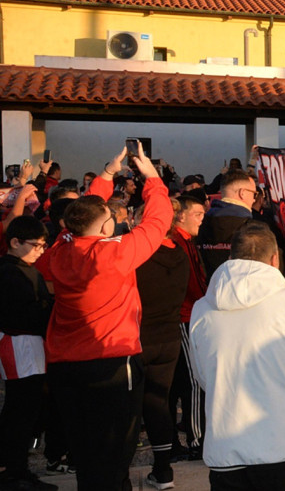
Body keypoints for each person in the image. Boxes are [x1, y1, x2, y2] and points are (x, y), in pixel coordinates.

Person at [38, 147, 172, 491]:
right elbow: (157, 222)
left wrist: (106, 176)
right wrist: (153, 180)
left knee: (83, 446)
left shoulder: (59, 251)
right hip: (111, 362)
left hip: (65, 365)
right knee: (115, 450)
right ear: (106, 225)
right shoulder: (115, 253)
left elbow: (78, 218)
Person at [189, 222, 285, 490]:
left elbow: (205, 379)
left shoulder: (202, 308)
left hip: (227, 451)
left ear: (230, 257)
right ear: (275, 259)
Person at [135, 198, 194, 489]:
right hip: (169, 337)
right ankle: (163, 469)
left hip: (139, 337)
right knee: (158, 402)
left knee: (131, 405)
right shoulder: (181, 254)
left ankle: (120, 471)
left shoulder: (139, 256)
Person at [0, 216, 57, 491]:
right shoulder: (9, 272)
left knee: (28, 410)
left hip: (32, 346)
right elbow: (19, 315)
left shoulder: (25, 269)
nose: (40, 250)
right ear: (15, 242)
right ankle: (14, 472)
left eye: (44, 245)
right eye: (36, 245)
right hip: (18, 344)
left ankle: (17, 468)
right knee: (20, 411)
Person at [159, 195, 208, 462]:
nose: (202, 219)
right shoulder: (177, 243)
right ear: (181, 216)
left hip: (187, 314)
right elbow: (189, 284)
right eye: (198, 214)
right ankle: (197, 439)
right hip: (183, 316)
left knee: (180, 383)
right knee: (193, 381)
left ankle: (176, 440)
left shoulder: (186, 241)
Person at [196, 169, 257, 277]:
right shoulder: (253, 229)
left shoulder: (198, 224)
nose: (254, 200)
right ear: (242, 193)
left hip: (208, 290)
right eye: (254, 194)